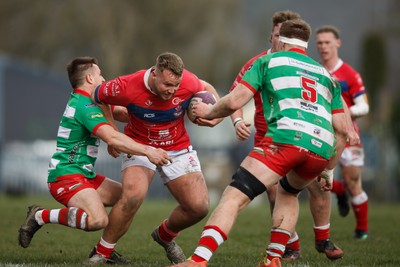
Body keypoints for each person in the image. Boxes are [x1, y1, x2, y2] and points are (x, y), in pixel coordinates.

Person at [168, 18, 355, 267]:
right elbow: (343, 131)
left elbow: (235, 101)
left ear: (281, 40)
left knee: (233, 196)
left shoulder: (266, 62)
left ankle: (199, 260)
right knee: (288, 193)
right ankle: (274, 258)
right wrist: (329, 169)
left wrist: (208, 111)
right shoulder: (327, 76)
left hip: (284, 140)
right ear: (306, 44)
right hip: (320, 148)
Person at [17, 57, 172, 264]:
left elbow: (124, 113)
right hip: (66, 176)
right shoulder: (84, 105)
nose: (104, 78)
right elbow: (112, 137)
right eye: (100, 74)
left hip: (82, 174)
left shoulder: (90, 101)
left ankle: (104, 251)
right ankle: (40, 216)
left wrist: (150, 107)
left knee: (126, 199)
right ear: (90, 77)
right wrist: (148, 151)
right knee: (98, 220)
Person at [229, 10, 344, 261]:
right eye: (277, 34)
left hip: (307, 136)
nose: (280, 39)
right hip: (270, 138)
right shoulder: (257, 63)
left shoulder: (309, 68)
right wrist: (237, 120)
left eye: (284, 34)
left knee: (319, 187)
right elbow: (235, 98)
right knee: (275, 190)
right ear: (272, 35)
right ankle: (290, 244)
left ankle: (322, 239)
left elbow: (334, 109)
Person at [85, 52, 221, 265]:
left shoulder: (188, 81)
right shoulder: (127, 85)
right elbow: (97, 96)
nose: (172, 90)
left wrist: (214, 115)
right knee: (133, 194)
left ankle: (164, 235)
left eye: (176, 86)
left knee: (199, 207)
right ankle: (101, 252)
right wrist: (112, 134)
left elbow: (209, 89)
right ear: (155, 73)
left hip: (177, 147)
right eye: (167, 84)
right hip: (140, 145)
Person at [316, 25, 370, 240]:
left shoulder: (349, 74)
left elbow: (364, 106)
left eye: (327, 42)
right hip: (322, 135)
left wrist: (341, 116)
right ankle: (338, 191)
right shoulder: (315, 71)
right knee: (317, 179)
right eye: (319, 43)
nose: (323, 47)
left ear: (337, 43)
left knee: (352, 181)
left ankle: (362, 230)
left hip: (349, 135)